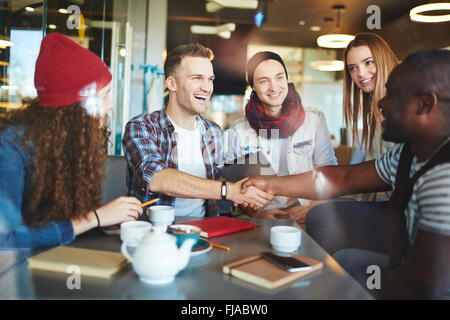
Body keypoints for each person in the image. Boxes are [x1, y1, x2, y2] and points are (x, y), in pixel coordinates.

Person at [240, 49, 450, 299]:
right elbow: (344, 178)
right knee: (346, 260)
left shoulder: (443, 177)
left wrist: (327, 288)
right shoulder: (407, 154)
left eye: (393, 95)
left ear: (425, 104)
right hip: (412, 267)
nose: (381, 102)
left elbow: (425, 286)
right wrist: (271, 185)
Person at [0, 33, 143, 249]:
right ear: (76, 106)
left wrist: (105, 219)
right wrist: (94, 218)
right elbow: (5, 238)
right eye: (104, 95)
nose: (111, 104)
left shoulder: (73, 139)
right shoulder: (11, 148)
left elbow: (61, 219)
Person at [122, 43, 273, 218]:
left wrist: (247, 201)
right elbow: (155, 179)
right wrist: (228, 190)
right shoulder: (142, 126)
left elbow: (216, 187)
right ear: (172, 83)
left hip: (206, 230)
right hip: (155, 234)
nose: (207, 88)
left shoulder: (213, 131)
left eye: (210, 79)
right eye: (197, 78)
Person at [224, 51, 337, 223]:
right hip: (263, 216)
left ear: (286, 79)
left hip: (306, 213)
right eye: (263, 81)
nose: (274, 87)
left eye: (279, 77)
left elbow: (329, 173)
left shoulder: (315, 119)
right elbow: (234, 185)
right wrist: (257, 215)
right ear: (253, 86)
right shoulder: (238, 130)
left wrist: (311, 209)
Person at [343, 33, 399, 201]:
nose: (361, 73)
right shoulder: (374, 114)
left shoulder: (404, 107)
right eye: (353, 68)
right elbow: (368, 176)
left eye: (368, 62)